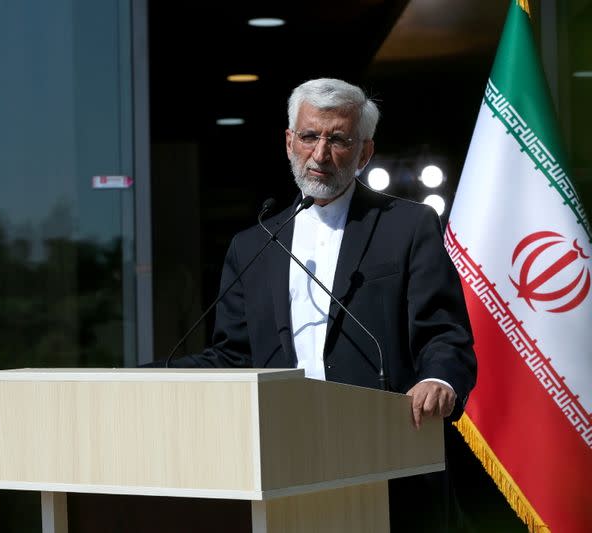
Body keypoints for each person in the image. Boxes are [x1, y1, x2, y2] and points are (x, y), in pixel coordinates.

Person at [166, 78, 477, 531]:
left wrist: (437, 378)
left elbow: (445, 335)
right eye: (310, 136)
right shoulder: (254, 244)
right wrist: (151, 375)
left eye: (338, 140)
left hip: (390, 463)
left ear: (365, 152)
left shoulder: (408, 227)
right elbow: (234, 355)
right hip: (285, 464)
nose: (320, 153)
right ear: (289, 141)